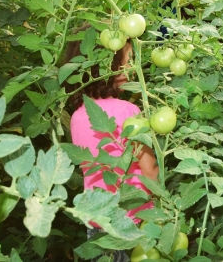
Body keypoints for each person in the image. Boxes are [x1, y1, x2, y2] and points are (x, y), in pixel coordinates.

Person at [62, 25, 158, 261]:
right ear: (107, 63)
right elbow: (149, 171)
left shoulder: (77, 115)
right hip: (132, 223)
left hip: (97, 221)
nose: (131, 67)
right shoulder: (129, 111)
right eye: (127, 59)